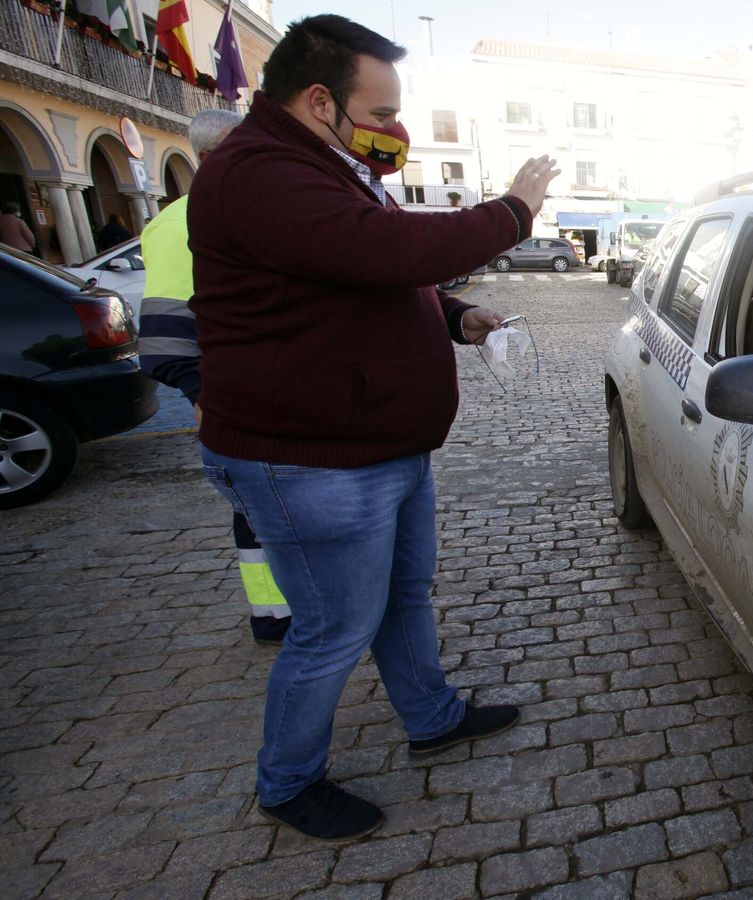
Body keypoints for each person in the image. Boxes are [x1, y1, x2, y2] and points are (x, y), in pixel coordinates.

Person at [187, 14, 560, 841]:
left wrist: (455, 316)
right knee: (331, 630)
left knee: (402, 596)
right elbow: (385, 253)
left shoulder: (326, 166)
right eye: (383, 112)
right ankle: (287, 783)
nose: (395, 131)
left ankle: (430, 716)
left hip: (379, 447)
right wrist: (513, 212)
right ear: (320, 100)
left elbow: (371, 282)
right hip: (311, 463)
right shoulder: (259, 172)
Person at [139, 109, 293, 645]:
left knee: (262, 511)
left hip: (257, 391)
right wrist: (203, 393)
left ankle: (275, 611)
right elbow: (164, 330)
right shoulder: (186, 218)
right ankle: (279, 614)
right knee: (261, 507)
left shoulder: (243, 208)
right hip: (233, 397)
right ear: (208, 158)